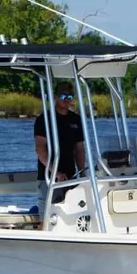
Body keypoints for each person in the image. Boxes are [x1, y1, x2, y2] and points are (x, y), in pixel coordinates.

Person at [34, 81, 86, 217]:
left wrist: (83, 173)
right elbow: (40, 149)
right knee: (46, 216)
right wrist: (55, 172)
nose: (66, 101)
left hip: (70, 176)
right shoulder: (43, 119)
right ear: (56, 97)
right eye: (63, 97)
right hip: (48, 176)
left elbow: (79, 149)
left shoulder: (76, 120)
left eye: (70, 97)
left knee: (71, 214)